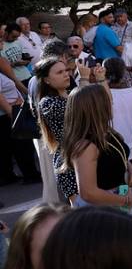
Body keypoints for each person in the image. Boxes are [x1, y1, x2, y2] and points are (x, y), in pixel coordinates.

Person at [61, 84, 132, 210]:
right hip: (104, 208)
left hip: (121, 195)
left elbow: (116, 155)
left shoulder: (106, 131)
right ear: (96, 107)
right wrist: (125, 200)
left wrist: (130, 168)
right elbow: (88, 192)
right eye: (108, 100)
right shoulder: (85, 146)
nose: (112, 103)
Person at [34, 56, 78, 204]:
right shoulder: (49, 103)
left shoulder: (72, 93)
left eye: (66, 70)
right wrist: (84, 79)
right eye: (59, 72)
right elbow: (84, 110)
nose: (66, 74)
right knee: (84, 213)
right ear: (46, 80)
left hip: (86, 155)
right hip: (70, 161)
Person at [0, 68, 41, 186]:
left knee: (14, 147)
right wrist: (13, 114)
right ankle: (30, 175)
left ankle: (15, 176)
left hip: (9, 114)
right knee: (22, 146)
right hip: (6, 115)